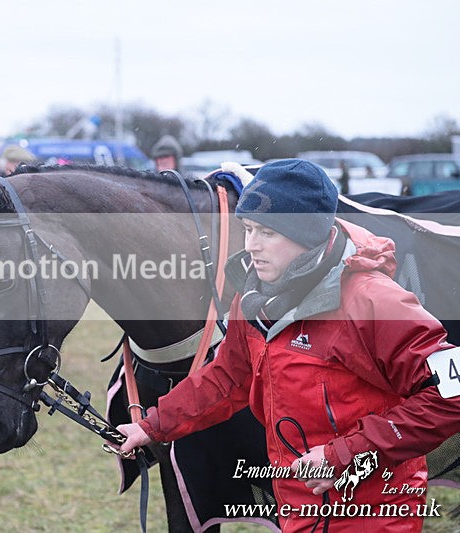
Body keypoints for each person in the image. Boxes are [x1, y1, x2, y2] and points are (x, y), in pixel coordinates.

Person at [115, 159, 460, 531]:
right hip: (299, 511)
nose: (251, 246)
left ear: (306, 234)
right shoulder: (254, 295)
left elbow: (451, 394)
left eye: (267, 232)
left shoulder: (375, 303)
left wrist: (344, 454)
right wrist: (153, 426)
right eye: (248, 229)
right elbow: (229, 377)